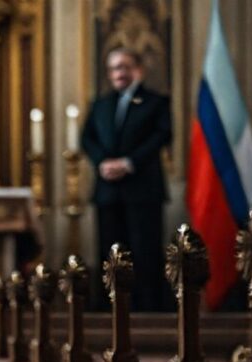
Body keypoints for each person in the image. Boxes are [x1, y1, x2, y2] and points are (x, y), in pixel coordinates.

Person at [81, 47, 172, 312]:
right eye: (114, 68)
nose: (119, 73)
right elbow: (87, 138)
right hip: (108, 190)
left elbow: (162, 135)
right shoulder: (100, 104)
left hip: (143, 190)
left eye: (124, 67)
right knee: (110, 252)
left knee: (144, 251)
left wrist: (128, 163)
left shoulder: (156, 102)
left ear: (138, 70)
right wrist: (102, 163)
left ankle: (147, 308)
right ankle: (111, 307)